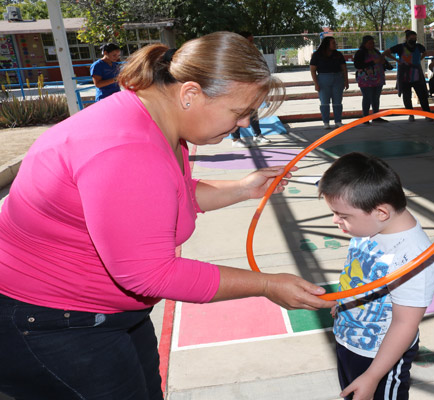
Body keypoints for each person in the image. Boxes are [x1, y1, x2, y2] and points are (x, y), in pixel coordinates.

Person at [0, 31, 336, 399]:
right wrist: (267, 285)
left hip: (99, 318)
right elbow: (151, 274)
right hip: (54, 324)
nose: (243, 124)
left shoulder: (154, 120)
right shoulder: (126, 149)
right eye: (239, 113)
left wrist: (244, 187)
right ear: (190, 94)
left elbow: (162, 198)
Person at [318, 152, 434, 400]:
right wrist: (346, 304)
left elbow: (404, 323)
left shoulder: (414, 259)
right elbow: (360, 274)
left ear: (381, 212)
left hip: (380, 357)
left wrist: (373, 375)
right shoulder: (371, 227)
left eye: (343, 216)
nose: (335, 221)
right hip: (349, 339)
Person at [383, 30, 431, 122]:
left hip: (417, 74)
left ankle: (427, 114)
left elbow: (425, 52)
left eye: (415, 38)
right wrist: (397, 61)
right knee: (406, 96)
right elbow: (386, 53)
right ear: (407, 38)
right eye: (411, 38)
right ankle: (411, 114)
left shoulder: (419, 46)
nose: (413, 39)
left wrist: (420, 59)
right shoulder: (400, 47)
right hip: (405, 75)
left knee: (422, 95)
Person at [232, 31, 269, 145]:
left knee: (253, 111)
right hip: (238, 86)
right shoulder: (234, 53)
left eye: (252, 41)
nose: (252, 43)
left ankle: (257, 135)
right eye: (250, 41)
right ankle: (236, 139)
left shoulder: (252, 53)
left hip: (250, 85)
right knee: (238, 112)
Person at [310, 37, 349, 129]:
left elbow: (344, 68)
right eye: (333, 43)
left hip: (338, 79)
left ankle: (338, 121)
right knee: (324, 102)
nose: (335, 45)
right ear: (327, 44)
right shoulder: (317, 55)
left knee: (337, 102)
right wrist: (316, 83)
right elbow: (312, 70)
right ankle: (326, 122)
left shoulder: (338, 54)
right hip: (323, 79)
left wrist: (346, 81)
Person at [353, 36, 387, 124]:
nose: (372, 45)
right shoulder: (360, 53)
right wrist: (373, 62)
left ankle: (376, 116)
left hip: (378, 78)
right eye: (369, 43)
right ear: (364, 43)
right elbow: (358, 65)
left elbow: (382, 61)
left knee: (376, 98)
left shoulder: (376, 51)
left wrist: (384, 63)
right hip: (366, 79)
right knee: (367, 97)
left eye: (373, 43)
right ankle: (365, 117)